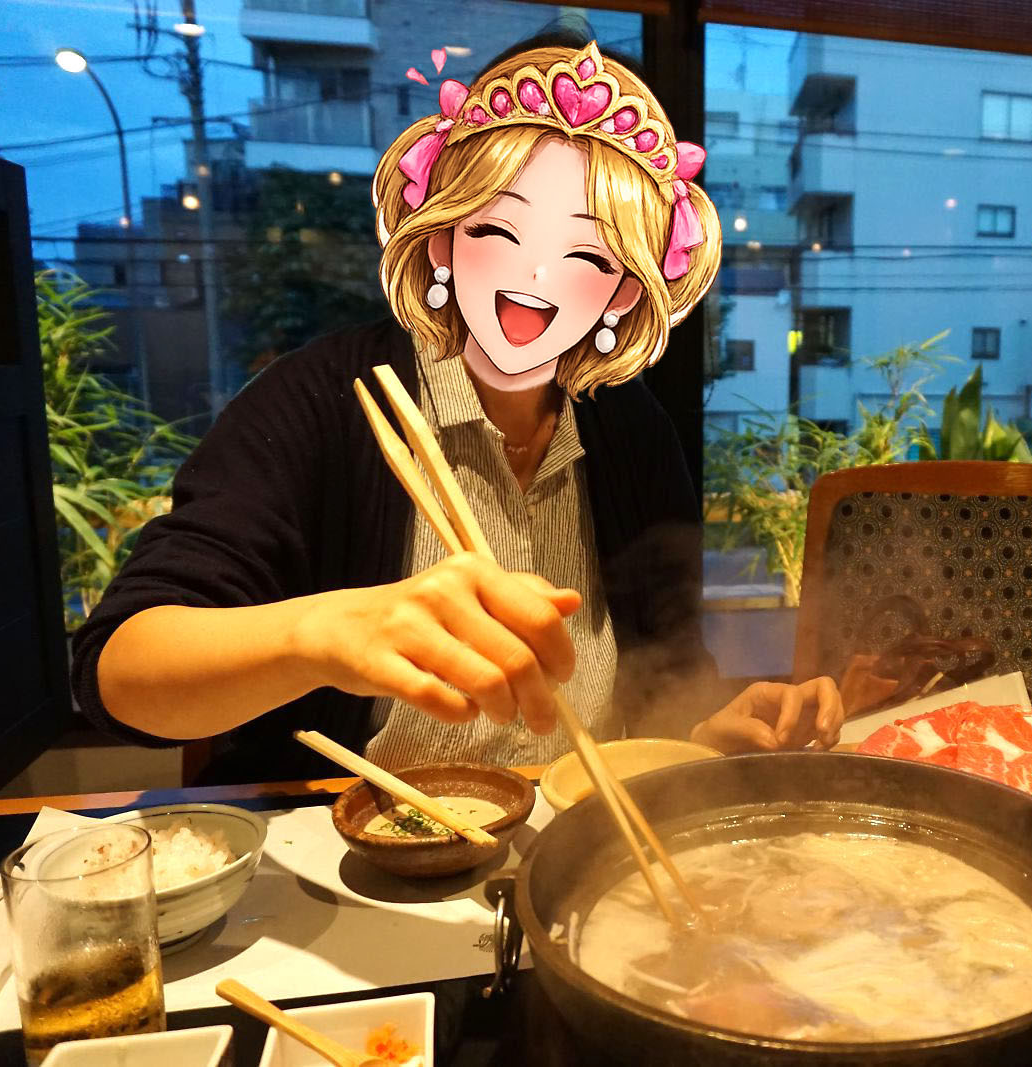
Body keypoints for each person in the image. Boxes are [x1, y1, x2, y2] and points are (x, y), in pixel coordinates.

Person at [72, 37, 841, 783]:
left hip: (581, 828)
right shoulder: (326, 403)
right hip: (356, 840)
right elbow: (118, 668)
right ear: (445, 229)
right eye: (503, 225)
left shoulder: (629, 427)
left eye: (587, 250)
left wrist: (700, 736)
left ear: (626, 284)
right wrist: (326, 632)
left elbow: (662, 673)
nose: (537, 274)